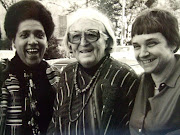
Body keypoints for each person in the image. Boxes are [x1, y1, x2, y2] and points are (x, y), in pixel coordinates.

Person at [47, 8, 139, 135]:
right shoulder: (67, 74)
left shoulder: (123, 76)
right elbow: (55, 124)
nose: (83, 42)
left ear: (107, 41)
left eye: (91, 35)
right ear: (69, 43)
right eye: (76, 36)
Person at [0, 1, 60, 135]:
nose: (33, 41)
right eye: (24, 35)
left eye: (39, 35)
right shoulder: (2, 77)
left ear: (46, 40)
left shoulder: (59, 79)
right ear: (13, 40)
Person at [129, 8, 180, 135]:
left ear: (173, 44)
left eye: (151, 44)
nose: (143, 53)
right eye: (137, 46)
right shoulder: (140, 82)